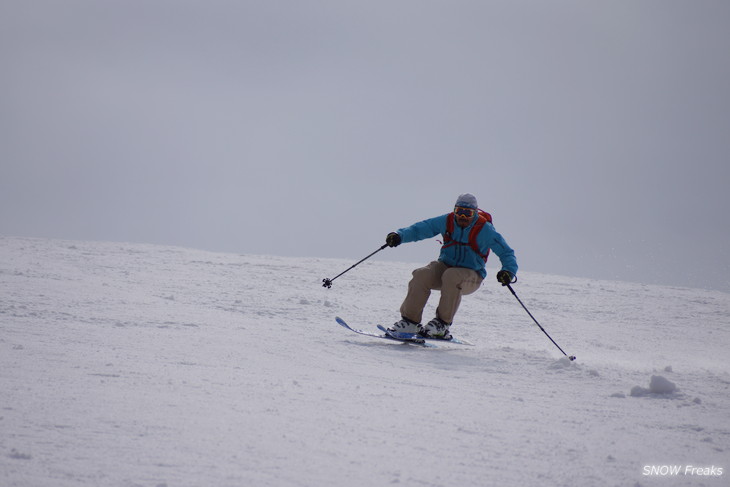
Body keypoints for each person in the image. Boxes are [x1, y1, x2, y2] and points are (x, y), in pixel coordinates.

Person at [385, 193, 518, 339]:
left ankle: (442, 324)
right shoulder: (447, 221)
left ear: (475, 213)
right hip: (445, 267)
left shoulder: (484, 230)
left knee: (452, 275)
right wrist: (399, 235)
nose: (463, 216)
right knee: (421, 274)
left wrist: (508, 271)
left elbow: (507, 253)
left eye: (468, 213)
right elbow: (420, 229)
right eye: (459, 211)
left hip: (471, 275)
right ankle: (410, 322)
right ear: (454, 210)